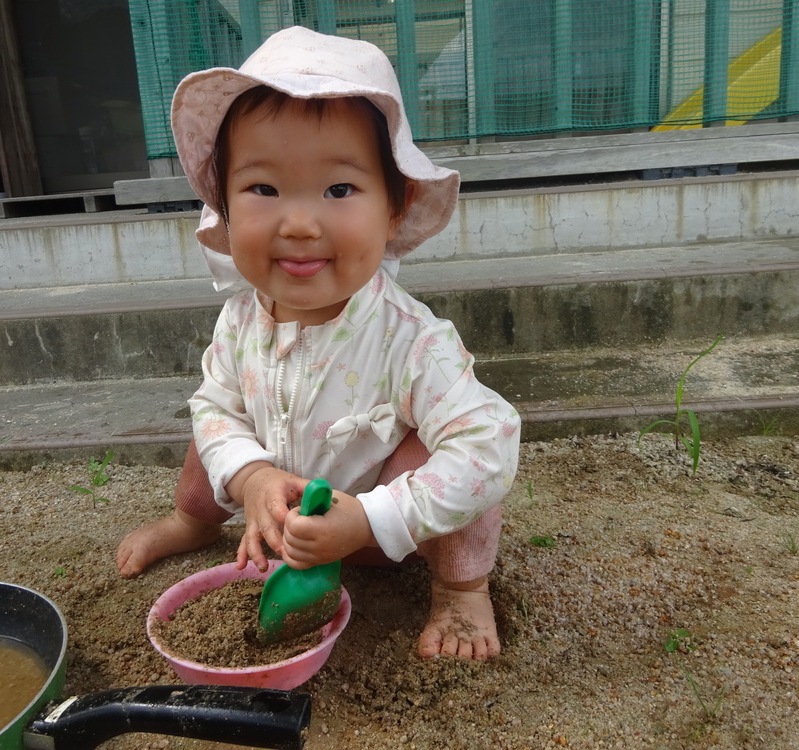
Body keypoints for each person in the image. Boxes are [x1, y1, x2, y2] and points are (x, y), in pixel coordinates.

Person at [117, 26, 520, 660]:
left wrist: (370, 520)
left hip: (380, 528)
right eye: (263, 189)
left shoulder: (410, 341)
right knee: (214, 420)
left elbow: (490, 443)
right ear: (223, 204)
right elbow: (216, 410)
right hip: (278, 518)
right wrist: (250, 479)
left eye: (339, 190)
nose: (299, 223)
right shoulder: (241, 320)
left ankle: (460, 591)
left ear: (396, 203)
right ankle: (192, 523)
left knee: (446, 456)